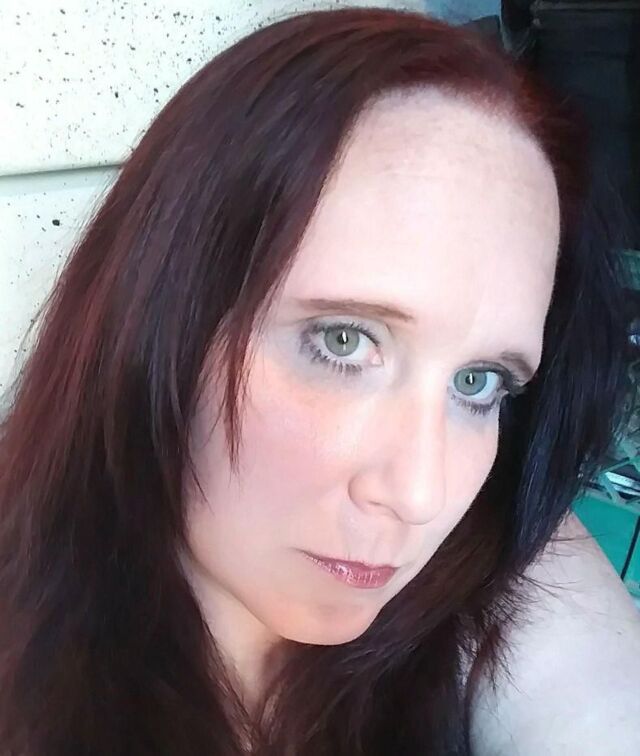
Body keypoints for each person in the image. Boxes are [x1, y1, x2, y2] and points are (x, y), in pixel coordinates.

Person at [0, 7, 639, 755]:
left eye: (477, 382)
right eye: (344, 342)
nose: (420, 496)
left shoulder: (498, 560)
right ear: (161, 313)